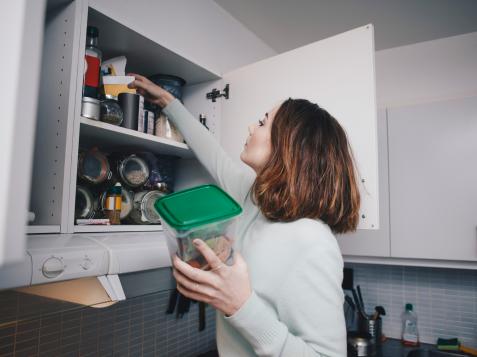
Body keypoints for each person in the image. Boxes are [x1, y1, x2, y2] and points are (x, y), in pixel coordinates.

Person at [129, 74, 360, 357]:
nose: (252, 127)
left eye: (263, 123)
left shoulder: (313, 241)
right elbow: (214, 154)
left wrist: (240, 305)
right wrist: (168, 102)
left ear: (290, 146)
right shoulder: (254, 198)